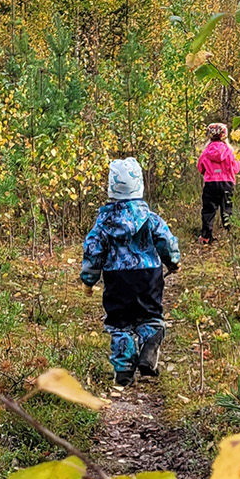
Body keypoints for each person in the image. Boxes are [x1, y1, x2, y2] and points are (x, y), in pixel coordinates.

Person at [80, 158, 180, 387]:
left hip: (118, 279)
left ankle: (124, 368)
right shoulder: (150, 218)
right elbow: (165, 239)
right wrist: (173, 261)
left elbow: (93, 249)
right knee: (150, 315)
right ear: (140, 185)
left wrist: (89, 279)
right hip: (148, 276)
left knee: (119, 323)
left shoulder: (104, 221)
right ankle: (150, 345)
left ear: (111, 188)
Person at [197, 122, 240, 245]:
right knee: (227, 209)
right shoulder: (230, 151)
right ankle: (230, 235)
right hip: (227, 183)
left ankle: (206, 237)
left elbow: (200, 168)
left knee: (208, 210)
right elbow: (236, 168)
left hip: (211, 184)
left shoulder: (206, 152)